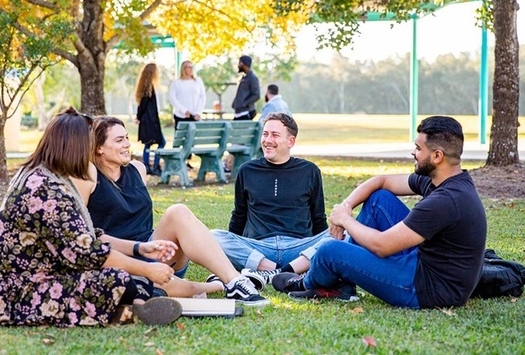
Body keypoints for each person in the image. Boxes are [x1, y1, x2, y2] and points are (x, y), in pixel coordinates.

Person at [0, 107, 182, 327]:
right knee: (118, 278)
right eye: (88, 146)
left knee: (120, 277)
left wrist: (139, 249)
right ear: (74, 147)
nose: (90, 152)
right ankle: (134, 307)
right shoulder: (45, 190)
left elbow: (86, 235)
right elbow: (86, 252)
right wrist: (147, 268)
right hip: (19, 293)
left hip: (42, 276)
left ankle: (133, 306)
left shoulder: (45, 175)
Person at [272, 116, 488, 308]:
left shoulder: (445, 201)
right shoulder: (444, 180)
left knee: (331, 251)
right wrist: (346, 206)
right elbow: (381, 181)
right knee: (378, 199)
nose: (413, 152)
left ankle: (308, 283)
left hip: (428, 289)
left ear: (437, 156)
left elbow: (382, 246)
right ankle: (341, 282)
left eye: (418, 148)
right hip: (424, 263)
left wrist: (345, 220)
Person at [77, 115, 269, 307]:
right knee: (157, 289)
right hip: (122, 262)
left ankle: (234, 281)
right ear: (99, 147)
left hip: (155, 255)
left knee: (178, 211)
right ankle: (212, 286)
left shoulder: (138, 169)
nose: (127, 144)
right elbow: (87, 236)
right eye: (119, 140)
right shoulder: (89, 176)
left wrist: (153, 248)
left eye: (127, 137)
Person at [211, 113, 331, 290]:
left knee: (342, 233)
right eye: (265, 134)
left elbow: (318, 218)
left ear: (291, 141)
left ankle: (282, 271)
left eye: (275, 135)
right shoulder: (247, 170)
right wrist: (231, 248)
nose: (267, 140)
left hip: (298, 249)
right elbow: (239, 216)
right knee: (213, 236)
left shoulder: (309, 171)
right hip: (259, 249)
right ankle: (279, 272)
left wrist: (324, 245)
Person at [169, 60, 206, 169]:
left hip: (194, 116)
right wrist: (184, 110)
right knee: (179, 139)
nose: (190, 69)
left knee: (191, 139)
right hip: (181, 116)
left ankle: (187, 160)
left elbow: (202, 97)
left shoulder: (197, 81)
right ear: (183, 69)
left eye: (191, 67)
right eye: (188, 67)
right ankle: (176, 160)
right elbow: (173, 98)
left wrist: (198, 112)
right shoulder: (177, 83)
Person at [135, 63, 166, 177]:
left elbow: (141, 105)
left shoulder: (145, 87)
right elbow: (143, 105)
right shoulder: (149, 88)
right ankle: (155, 166)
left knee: (148, 144)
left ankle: (148, 166)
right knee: (160, 143)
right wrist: (139, 116)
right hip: (151, 121)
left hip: (147, 121)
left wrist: (139, 116)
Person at [231, 55, 260, 121]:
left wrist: (244, 104)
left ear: (245, 64)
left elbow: (256, 95)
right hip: (239, 113)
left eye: (240, 63)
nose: (238, 65)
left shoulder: (252, 78)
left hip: (246, 113)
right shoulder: (244, 77)